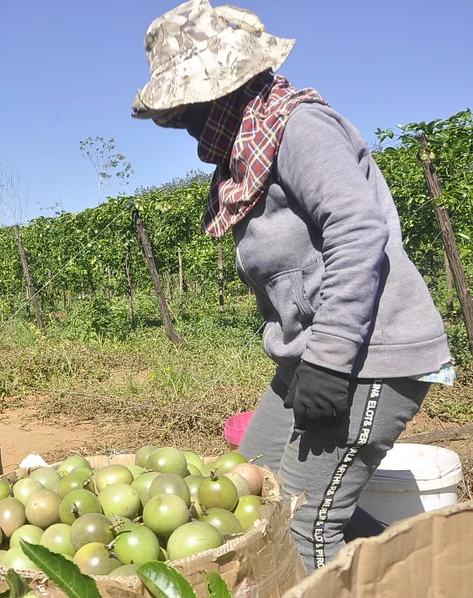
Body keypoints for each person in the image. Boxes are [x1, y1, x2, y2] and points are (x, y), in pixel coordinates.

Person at [131, 0, 455, 574]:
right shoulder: (249, 151)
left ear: (218, 89)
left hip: (368, 356)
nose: (183, 124)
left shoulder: (299, 127)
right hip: (309, 359)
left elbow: (357, 232)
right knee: (252, 493)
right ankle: (418, 571)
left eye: (185, 108)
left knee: (304, 522)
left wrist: (329, 362)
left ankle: (419, 573)